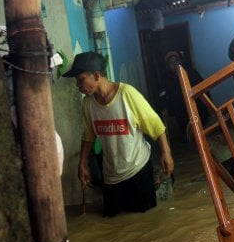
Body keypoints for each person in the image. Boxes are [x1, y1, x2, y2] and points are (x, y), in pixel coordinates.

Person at [64, 51, 174, 217]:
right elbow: (89, 135)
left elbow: (156, 125)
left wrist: (166, 153)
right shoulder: (88, 103)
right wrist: (83, 163)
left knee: (147, 221)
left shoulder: (127, 94)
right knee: (113, 222)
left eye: (80, 80)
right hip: (111, 176)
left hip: (138, 170)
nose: (78, 86)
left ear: (95, 75)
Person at [159, 50, 210, 140]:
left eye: (176, 61)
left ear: (180, 61)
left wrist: (209, 104)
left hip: (199, 108)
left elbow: (204, 88)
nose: (175, 64)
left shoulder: (192, 73)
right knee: (189, 136)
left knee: (206, 132)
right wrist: (166, 110)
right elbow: (164, 98)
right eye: (171, 63)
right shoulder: (166, 81)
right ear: (168, 66)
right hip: (181, 113)